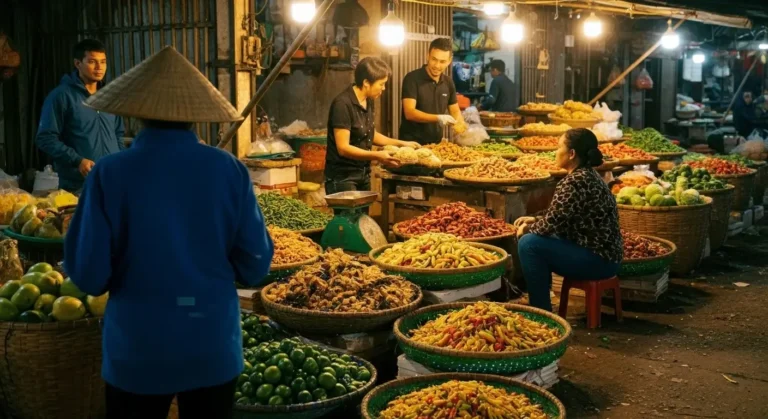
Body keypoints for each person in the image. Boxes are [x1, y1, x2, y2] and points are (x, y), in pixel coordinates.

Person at [64, 46, 274, 419]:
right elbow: (256, 264)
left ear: (137, 111)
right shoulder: (229, 170)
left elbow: (89, 275)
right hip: (211, 341)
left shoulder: (109, 174)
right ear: (193, 113)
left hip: (138, 347)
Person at [515, 128, 622, 312]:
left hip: (597, 261)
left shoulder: (575, 182)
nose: (555, 152)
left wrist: (527, 228)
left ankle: (540, 309)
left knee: (528, 244)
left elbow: (552, 224)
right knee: (536, 239)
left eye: (558, 147)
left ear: (571, 154)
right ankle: (542, 297)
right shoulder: (587, 175)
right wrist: (534, 219)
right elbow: (562, 214)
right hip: (606, 257)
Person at [36, 39, 125, 193]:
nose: (99, 68)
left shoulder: (110, 96)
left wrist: (122, 161)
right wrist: (77, 160)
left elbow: (118, 134)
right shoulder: (61, 96)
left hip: (113, 181)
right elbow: (45, 138)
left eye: (103, 62)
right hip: (78, 187)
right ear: (78, 64)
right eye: (92, 62)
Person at [326, 57, 421, 193]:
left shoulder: (368, 101)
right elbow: (343, 148)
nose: (383, 88)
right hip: (343, 178)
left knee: (363, 215)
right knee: (348, 215)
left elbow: (370, 133)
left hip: (363, 174)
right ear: (366, 83)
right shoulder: (342, 105)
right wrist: (377, 156)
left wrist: (402, 143)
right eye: (381, 84)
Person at [399, 37, 466, 145]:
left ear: (449, 61)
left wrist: (460, 124)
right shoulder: (412, 78)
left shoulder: (448, 82)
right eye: (434, 59)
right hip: (411, 144)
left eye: (442, 61)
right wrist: (438, 118)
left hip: (436, 145)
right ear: (427, 56)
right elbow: (409, 112)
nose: (437, 65)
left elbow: (455, 111)